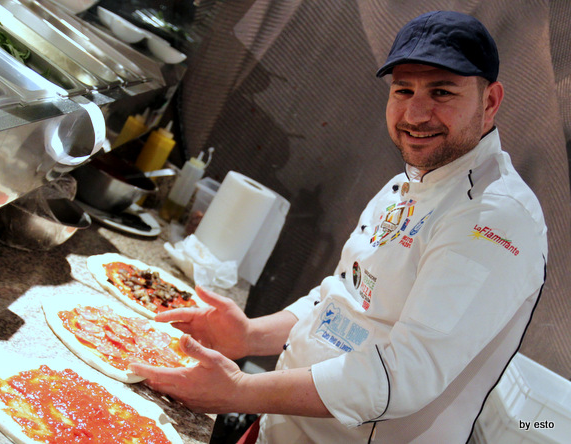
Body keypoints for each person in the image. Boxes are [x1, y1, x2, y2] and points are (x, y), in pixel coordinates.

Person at [130, 10, 548, 443]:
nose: (415, 113)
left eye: (442, 92)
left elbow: (403, 376)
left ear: (490, 101)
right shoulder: (407, 184)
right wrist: (251, 336)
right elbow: (342, 298)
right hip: (277, 429)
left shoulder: (495, 218)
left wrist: (239, 391)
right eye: (403, 89)